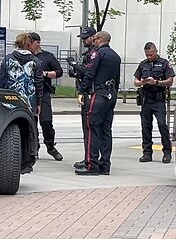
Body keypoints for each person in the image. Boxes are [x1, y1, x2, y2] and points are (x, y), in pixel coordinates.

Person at [74, 31, 121, 176]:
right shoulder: (116, 56)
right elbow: (117, 78)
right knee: (106, 130)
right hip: (111, 94)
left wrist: (82, 91)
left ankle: (91, 165)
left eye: (95, 38)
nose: (93, 40)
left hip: (98, 94)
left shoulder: (97, 54)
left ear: (100, 39)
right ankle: (105, 165)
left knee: (92, 128)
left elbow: (90, 73)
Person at [133, 42, 175, 163]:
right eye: (147, 55)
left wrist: (156, 82)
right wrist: (141, 82)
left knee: (162, 125)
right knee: (146, 127)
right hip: (146, 99)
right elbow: (135, 81)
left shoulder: (164, 64)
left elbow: (170, 81)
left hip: (158, 99)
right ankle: (147, 153)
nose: (149, 57)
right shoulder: (143, 64)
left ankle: (167, 152)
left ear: (156, 51)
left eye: (151, 54)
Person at [66, 26, 97, 169]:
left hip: (90, 93)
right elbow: (83, 73)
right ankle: (88, 158)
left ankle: (90, 160)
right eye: (82, 38)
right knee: (87, 128)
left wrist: (75, 65)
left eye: (86, 38)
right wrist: (75, 71)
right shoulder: (88, 54)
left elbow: (88, 72)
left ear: (94, 37)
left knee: (89, 127)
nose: (84, 40)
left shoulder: (94, 54)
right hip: (86, 92)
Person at [29, 32, 64, 161]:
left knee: (46, 121)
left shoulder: (47, 57)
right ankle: (33, 148)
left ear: (37, 43)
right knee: (31, 123)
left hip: (43, 93)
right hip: (29, 93)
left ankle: (50, 145)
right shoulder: (26, 57)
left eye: (30, 42)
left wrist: (45, 74)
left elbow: (59, 72)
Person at [0, 33, 43, 117]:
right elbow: (38, 83)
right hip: (30, 102)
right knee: (30, 127)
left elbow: (1, 82)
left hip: (10, 101)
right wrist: (38, 103)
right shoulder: (35, 61)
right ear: (29, 44)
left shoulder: (7, 59)